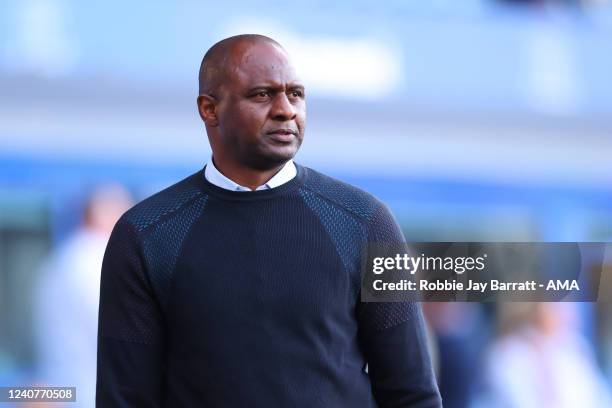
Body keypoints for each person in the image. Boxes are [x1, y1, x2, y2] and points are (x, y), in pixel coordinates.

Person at [96, 34, 441, 407]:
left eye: (295, 94)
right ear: (209, 109)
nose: (285, 109)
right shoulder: (146, 235)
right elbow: (124, 398)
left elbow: (413, 393)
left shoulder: (366, 223)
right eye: (262, 94)